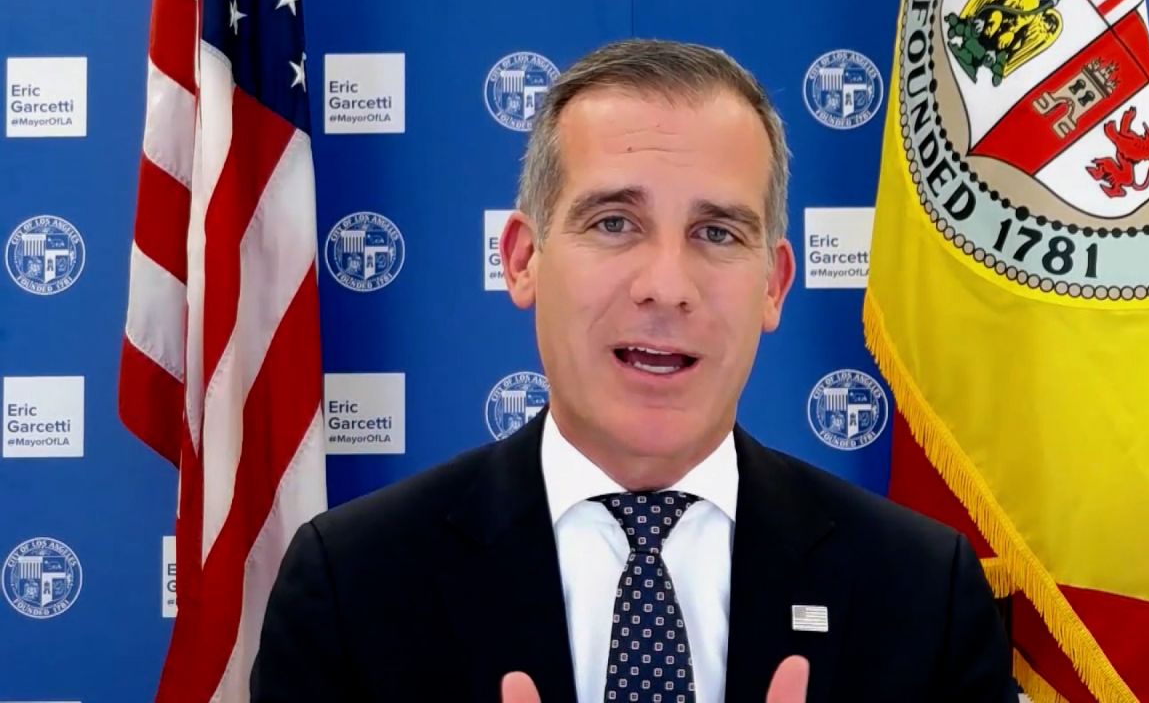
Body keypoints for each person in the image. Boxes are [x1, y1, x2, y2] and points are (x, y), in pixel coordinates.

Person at [250, 39, 1018, 703]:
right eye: (614, 223)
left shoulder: (923, 591)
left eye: (717, 232)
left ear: (774, 285)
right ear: (522, 260)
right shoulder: (353, 585)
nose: (666, 285)